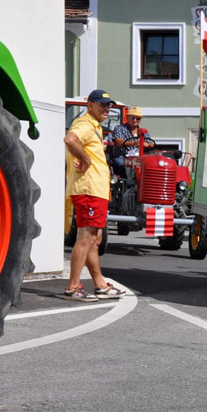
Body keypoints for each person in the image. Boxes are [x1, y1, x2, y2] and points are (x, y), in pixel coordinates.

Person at [62, 89, 127, 302]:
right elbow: (70, 139)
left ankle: (100, 284)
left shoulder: (94, 126)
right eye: (102, 105)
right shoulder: (85, 124)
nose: (106, 109)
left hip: (95, 190)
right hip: (88, 189)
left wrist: (84, 157)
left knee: (94, 239)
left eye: (109, 105)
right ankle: (73, 286)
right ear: (89, 105)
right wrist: (86, 160)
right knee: (86, 238)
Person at [110, 106, 155, 178]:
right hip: (123, 156)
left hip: (139, 158)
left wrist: (147, 144)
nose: (135, 120)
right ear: (127, 118)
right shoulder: (119, 128)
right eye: (133, 118)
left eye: (138, 118)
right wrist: (134, 143)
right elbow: (119, 142)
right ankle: (124, 180)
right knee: (119, 163)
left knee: (152, 164)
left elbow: (151, 143)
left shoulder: (143, 131)